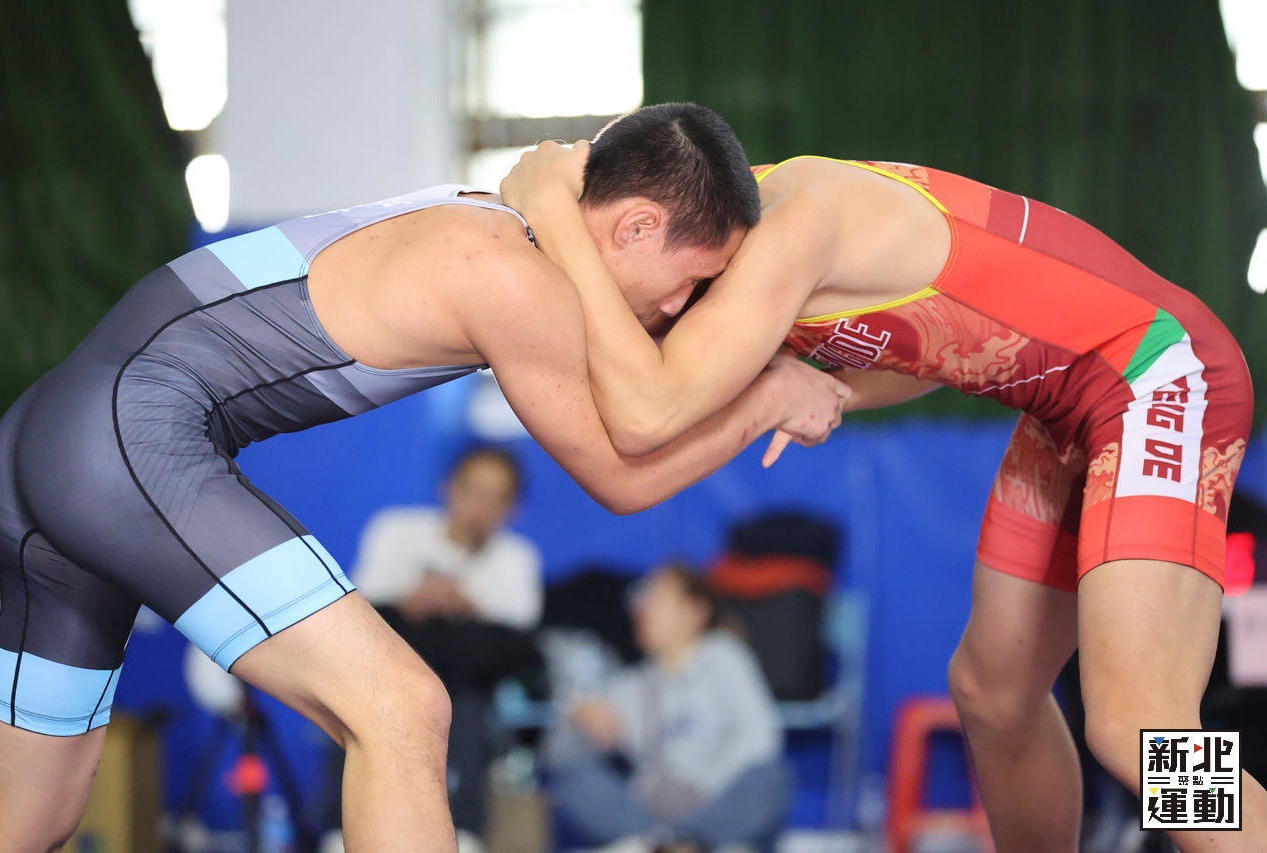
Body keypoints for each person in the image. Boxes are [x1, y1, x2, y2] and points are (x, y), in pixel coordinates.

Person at [0, 103, 850, 853]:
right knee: (401, 709)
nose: (678, 310)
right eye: (692, 281)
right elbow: (624, 478)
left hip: (46, 430)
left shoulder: (499, 215)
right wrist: (767, 398)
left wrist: (557, 200)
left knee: (27, 823)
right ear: (633, 227)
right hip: (127, 438)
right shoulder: (515, 276)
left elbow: (618, 360)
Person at [502, 144, 1261, 852]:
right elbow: (934, 345)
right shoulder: (741, 255)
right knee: (993, 696)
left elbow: (645, 415)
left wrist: (550, 206)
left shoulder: (792, 223)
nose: (659, 316)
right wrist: (822, 390)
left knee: (1136, 723)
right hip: (1069, 406)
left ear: (640, 224)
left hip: (1159, 370)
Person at [352, 445, 544, 847]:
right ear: (448, 488)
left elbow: (521, 635)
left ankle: (463, 830)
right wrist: (411, 601)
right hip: (389, 679)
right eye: (473, 491)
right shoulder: (395, 531)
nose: (480, 507)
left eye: (496, 498)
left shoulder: (518, 558)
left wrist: (468, 606)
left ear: (513, 509)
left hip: (467, 690)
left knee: (468, 677)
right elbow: (362, 607)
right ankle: (348, 829)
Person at [547, 562, 791, 853]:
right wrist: (576, 716)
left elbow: (761, 739)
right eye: (641, 598)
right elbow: (558, 756)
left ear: (695, 612)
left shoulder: (724, 657)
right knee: (574, 778)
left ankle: (679, 841)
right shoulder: (630, 684)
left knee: (772, 778)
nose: (643, 607)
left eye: (656, 597)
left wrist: (701, 789)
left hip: (717, 802)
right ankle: (671, 842)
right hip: (649, 814)